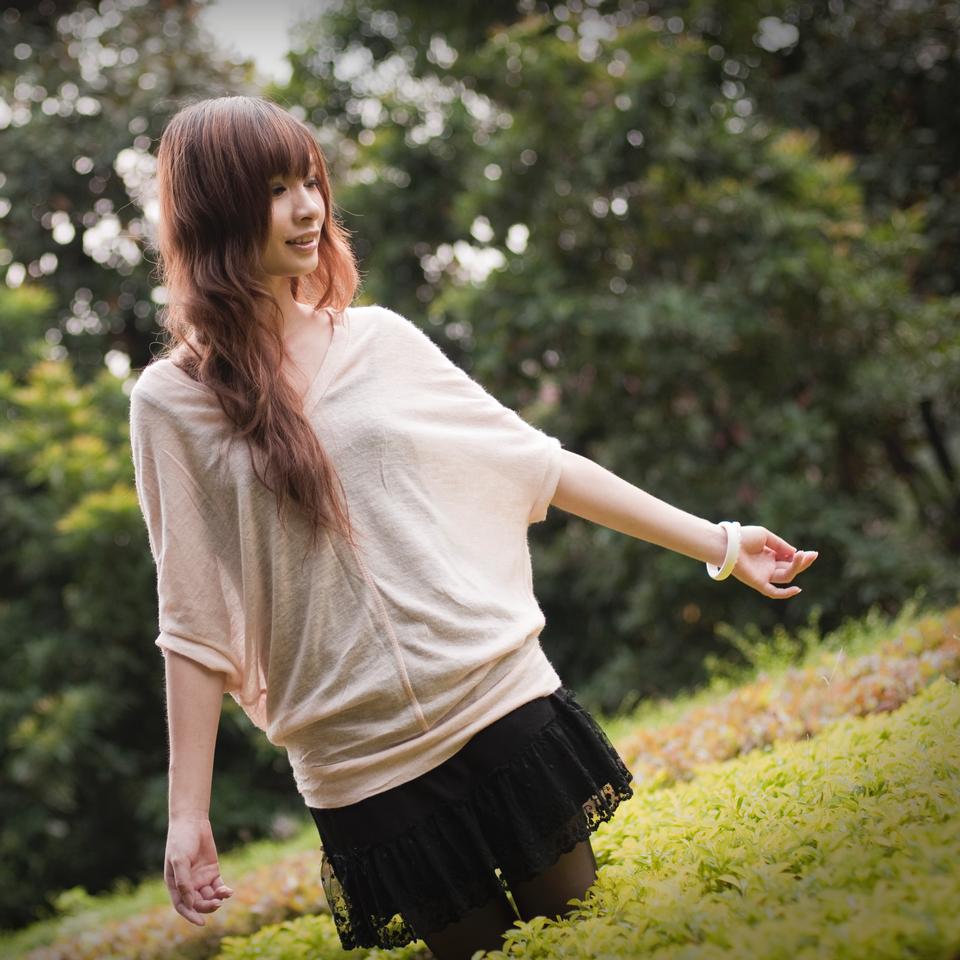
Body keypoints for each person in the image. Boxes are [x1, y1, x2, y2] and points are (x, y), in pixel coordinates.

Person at [128, 95, 818, 960]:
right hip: (359, 764)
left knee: (591, 943)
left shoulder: (377, 342)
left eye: (311, 180)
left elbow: (538, 464)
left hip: (496, 702)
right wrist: (187, 814)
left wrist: (719, 543)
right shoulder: (168, 404)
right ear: (213, 211)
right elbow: (190, 619)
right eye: (274, 189)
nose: (308, 208)